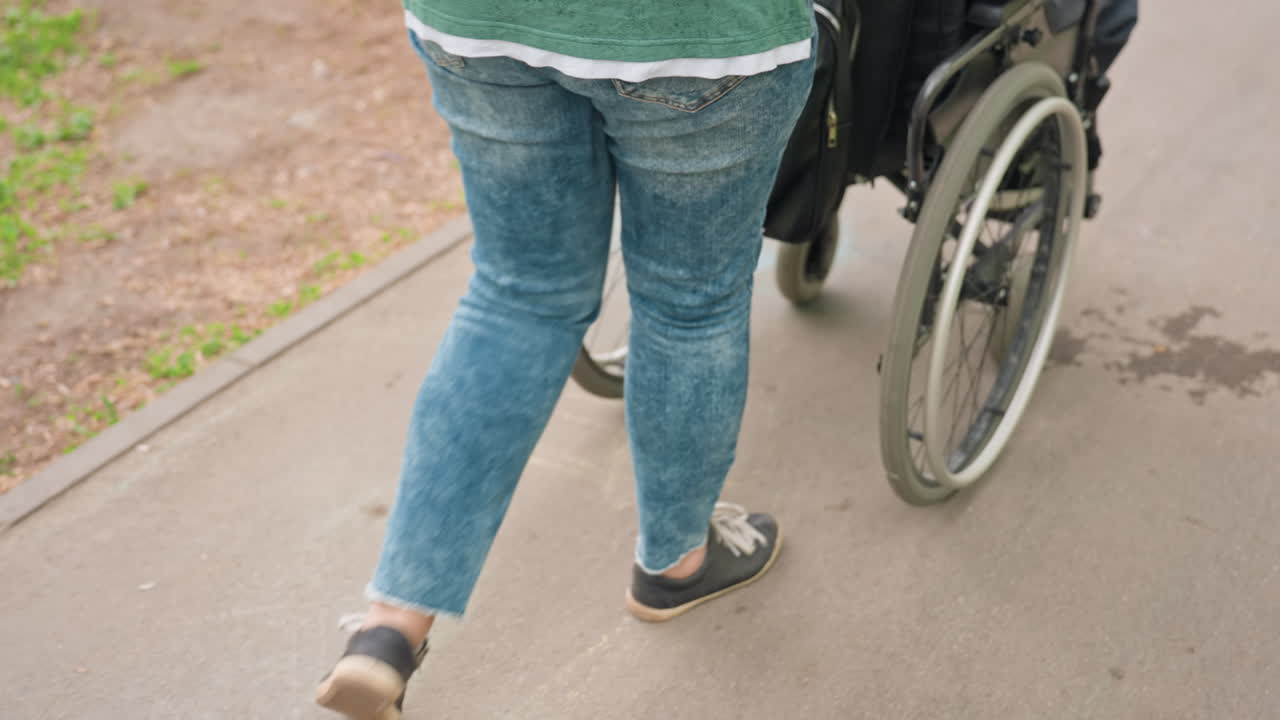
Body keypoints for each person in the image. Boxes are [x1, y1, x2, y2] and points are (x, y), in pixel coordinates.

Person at [315, 1, 817, 718]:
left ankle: (390, 628)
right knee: (689, 303)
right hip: (694, 39)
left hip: (479, 24)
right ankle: (676, 561)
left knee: (516, 296)